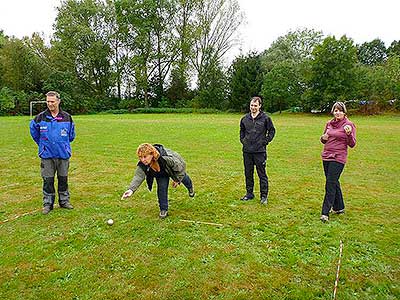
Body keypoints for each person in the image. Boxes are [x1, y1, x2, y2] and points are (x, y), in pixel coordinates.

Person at [30, 91, 76, 214]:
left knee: (63, 179)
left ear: (58, 101)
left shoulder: (67, 117)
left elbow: (71, 136)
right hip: (47, 155)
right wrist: (43, 145)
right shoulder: (40, 118)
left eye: (52, 101)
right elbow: (34, 133)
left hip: (63, 154)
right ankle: (48, 203)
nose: (50, 104)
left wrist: (63, 144)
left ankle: (64, 201)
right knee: (48, 180)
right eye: (48, 101)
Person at [121, 143, 195, 219]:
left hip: (173, 169)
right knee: (161, 189)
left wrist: (177, 179)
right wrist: (131, 190)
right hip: (160, 174)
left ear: (152, 154)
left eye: (145, 157)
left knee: (184, 178)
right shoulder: (143, 164)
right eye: (140, 157)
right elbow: (138, 176)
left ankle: (190, 188)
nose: (143, 160)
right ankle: (163, 209)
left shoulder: (166, 158)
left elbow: (180, 167)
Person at [320, 101, 356, 222]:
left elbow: (352, 144)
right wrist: (323, 138)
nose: (338, 112)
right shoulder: (329, 123)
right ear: (333, 112)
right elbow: (324, 139)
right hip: (326, 155)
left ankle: (325, 212)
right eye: (336, 110)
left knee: (330, 183)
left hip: (339, 157)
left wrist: (349, 134)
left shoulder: (349, 124)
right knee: (333, 182)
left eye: (340, 110)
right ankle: (339, 207)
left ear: (344, 112)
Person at [240, 96, 275, 204]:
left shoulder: (265, 118)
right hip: (247, 151)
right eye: (251, 105)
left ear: (260, 106)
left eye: (255, 105)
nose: (253, 107)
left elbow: (272, 131)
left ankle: (264, 196)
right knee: (248, 173)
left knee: (262, 174)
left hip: (260, 151)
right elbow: (242, 131)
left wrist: (265, 141)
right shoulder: (245, 119)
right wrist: (243, 140)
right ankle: (249, 194)